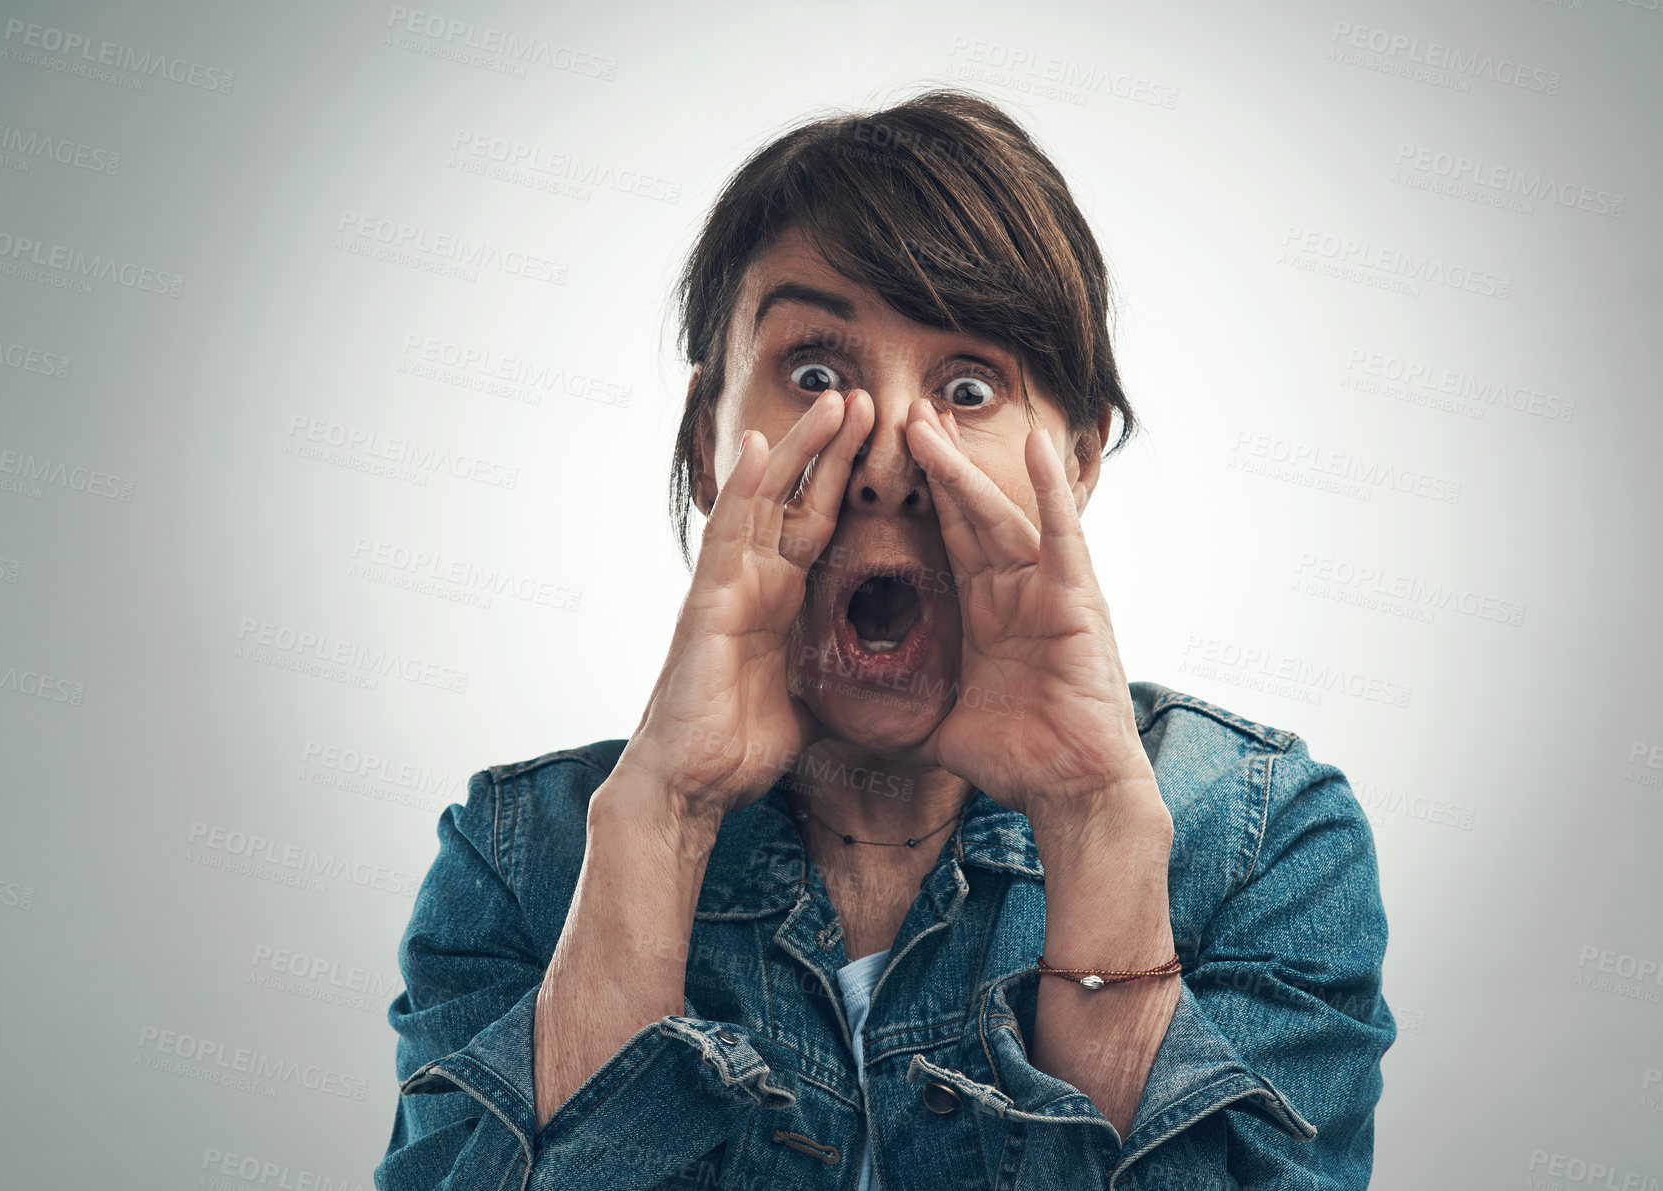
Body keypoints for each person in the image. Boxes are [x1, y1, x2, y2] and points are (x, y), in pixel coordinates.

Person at [375, 88, 1395, 1191]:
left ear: (1081, 459)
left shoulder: (1259, 843)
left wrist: (1099, 837)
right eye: (815, 374)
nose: (888, 458)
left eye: (968, 387)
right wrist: (657, 824)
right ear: (707, 441)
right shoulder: (524, 861)